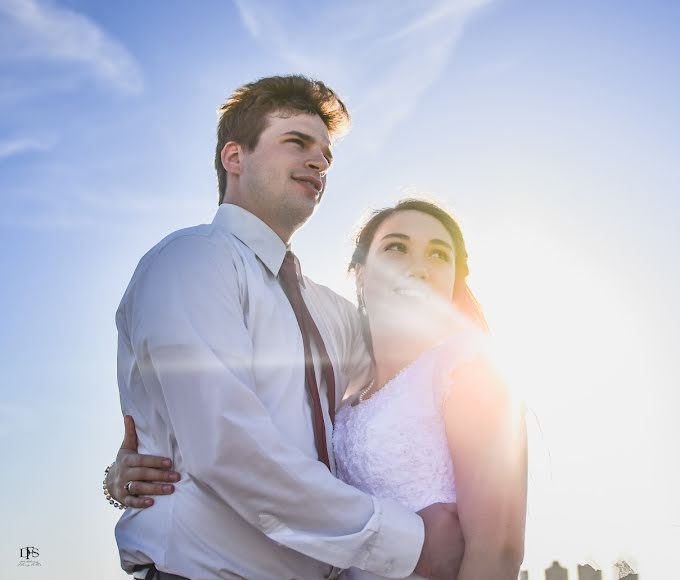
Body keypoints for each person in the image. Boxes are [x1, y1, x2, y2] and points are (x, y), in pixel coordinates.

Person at [106, 75, 464, 580]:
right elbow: (226, 446)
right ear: (235, 158)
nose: (318, 161)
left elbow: (404, 376)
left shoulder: (330, 311)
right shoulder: (188, 262)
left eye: (325, 154)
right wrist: (411, 544)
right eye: (296, 142)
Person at [108, 200, 528, 579]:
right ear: (360, 275)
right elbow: (233, 419)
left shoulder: (470, 370)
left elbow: (499, 550)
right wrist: (136, 461)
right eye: (396, 248)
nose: (419, 266)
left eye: (439, 254)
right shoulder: (346, 381)